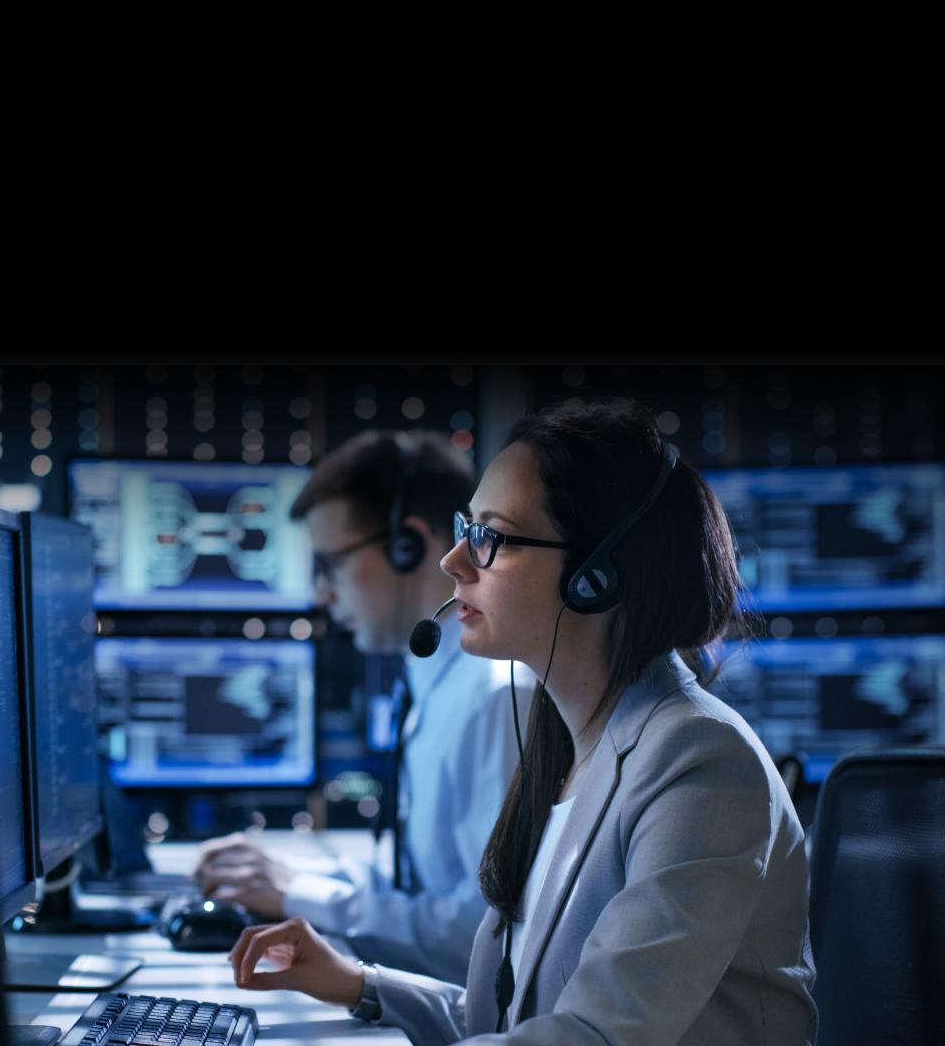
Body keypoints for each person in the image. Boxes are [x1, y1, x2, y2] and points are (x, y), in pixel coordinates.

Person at [225, 398, 818, 1045]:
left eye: (491, 537)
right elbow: (513, 1021)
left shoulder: (701, 763)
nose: (454, 563)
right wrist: (358, 982)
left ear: (595, 577)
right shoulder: (563, 744)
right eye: (465, 528)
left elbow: (591, 1037)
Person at [195, 429, 533, 984]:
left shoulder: (498, 700)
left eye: (330, 566)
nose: (321, 595)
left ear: (408, 545)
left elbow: (483, 938)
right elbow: (418, 883)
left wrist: (297, 893)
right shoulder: (432, 683)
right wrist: (290, 878)